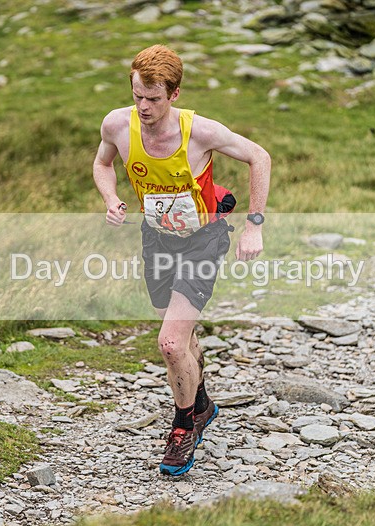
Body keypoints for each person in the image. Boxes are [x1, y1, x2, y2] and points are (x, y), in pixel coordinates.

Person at [92, 44, 271, 476]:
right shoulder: (118, 124)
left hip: (202, 241)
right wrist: (111, 197)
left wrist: (254, 226)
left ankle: (183, 426)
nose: (144, 106)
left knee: (170, 343)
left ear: (174, 94)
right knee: (181, 341)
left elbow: (259, 157)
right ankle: (202, 402)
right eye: (137, 95)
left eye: (153, 97)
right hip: (156, 240)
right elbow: (102, 164)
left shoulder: (200, 132)